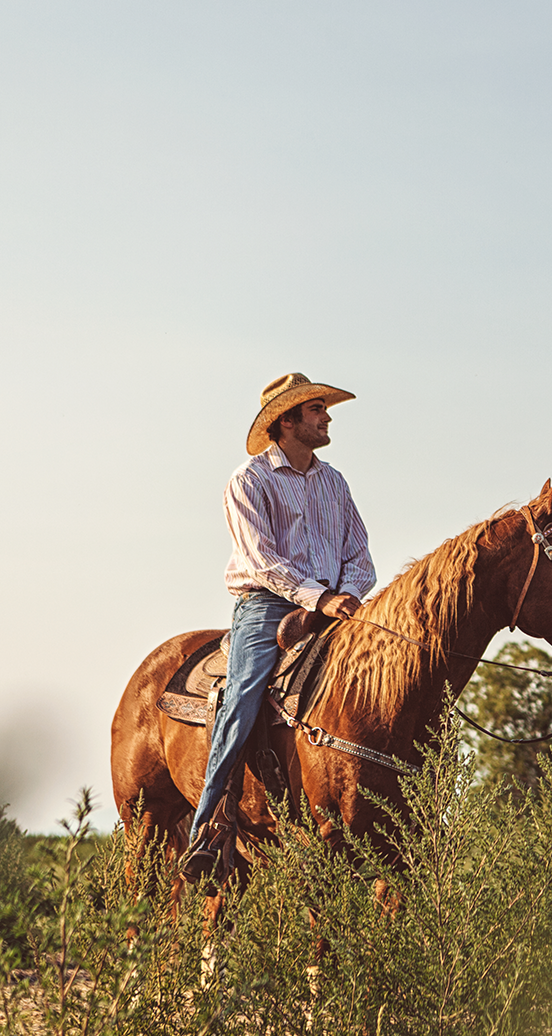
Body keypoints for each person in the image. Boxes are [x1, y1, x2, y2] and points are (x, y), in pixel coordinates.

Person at [182, 372, 376, 879]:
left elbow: (360, 553)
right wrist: (321, 597)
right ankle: (209, 826)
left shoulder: (334, 481)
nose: (327, 416)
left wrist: (347, 596)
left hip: (337, 605)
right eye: (316, 409)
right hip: (268, 605)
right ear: (285, 421)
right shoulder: (248, 480)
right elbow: (263, 561)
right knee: (242, 694)